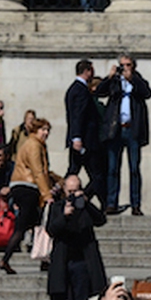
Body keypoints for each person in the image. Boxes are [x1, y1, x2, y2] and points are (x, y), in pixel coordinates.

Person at [43, 176, 108, 300]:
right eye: (70, 191)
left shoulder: (85, 208)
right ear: (64, 191)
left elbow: (100, 220)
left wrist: (86, 202)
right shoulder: (57, 207)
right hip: (62, 263)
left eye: (76, 190)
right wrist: (64, 215)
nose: (73, 195)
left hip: (82, 264)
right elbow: (51, 229)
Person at [97, 55, 151, 216]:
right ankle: (111, 202)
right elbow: (100, 91)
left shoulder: (138, 81)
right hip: (115, 129)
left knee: (134, 168)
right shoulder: (114, 82)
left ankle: (136, 203)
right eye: (122, 65)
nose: (125, 68)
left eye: (128, 65)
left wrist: (133, 80)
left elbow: (147, 93)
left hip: (133, 129)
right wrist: (109, 77)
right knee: (113, 168)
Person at [1, 118, 54, 276]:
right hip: (28, 187)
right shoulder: (34, 145)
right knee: (23, 226)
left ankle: (44, 261)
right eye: (43, 130)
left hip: (22, 187)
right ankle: (5, 259)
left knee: (37, 222)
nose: (46, 133)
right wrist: (47, 194)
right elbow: (38, 171)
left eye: (47, 130)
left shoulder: (33, 144)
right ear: (35, 131)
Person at [63, 60, 103, 200]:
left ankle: (63, 197)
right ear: (87, 71)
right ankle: (82, 198)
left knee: (74, 170)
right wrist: (77, 137)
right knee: (97, 175)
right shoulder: (81, 91)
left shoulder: (73, 89)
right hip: (85, 141)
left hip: (80, 139)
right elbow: (78, 116)